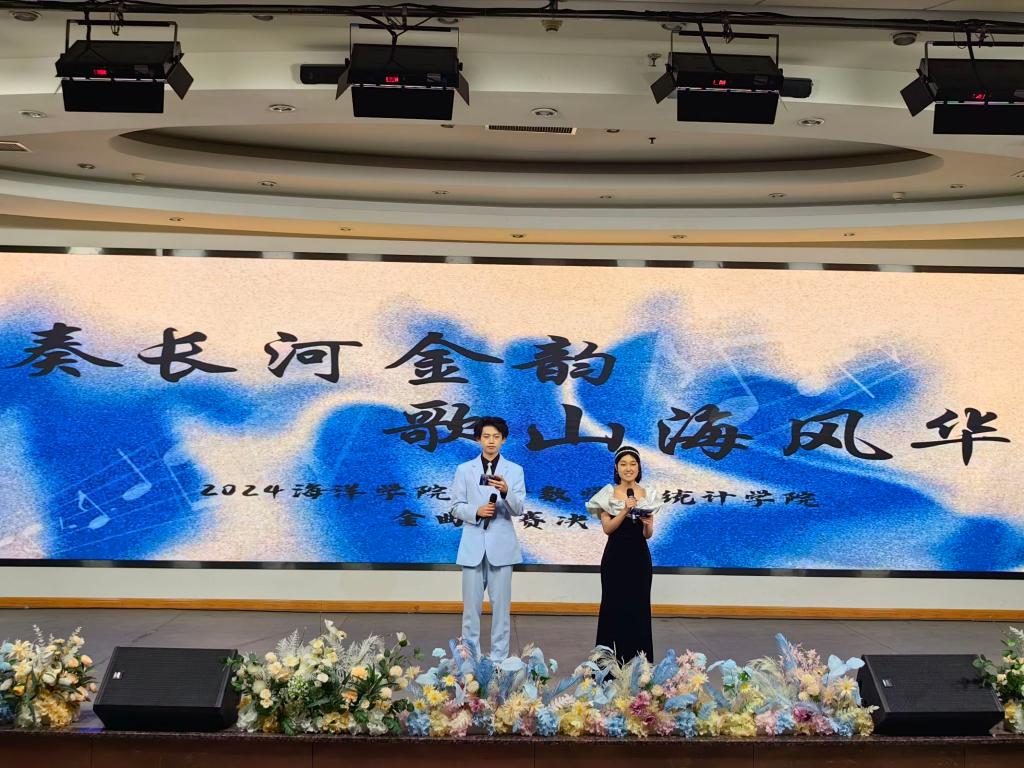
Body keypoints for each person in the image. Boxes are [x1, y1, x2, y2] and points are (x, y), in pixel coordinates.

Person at [449, 416, 526, 661]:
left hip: (502, 548)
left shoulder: (514, 470)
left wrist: (506, 491)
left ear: (504, 440)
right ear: (478, 439)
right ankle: (469, 662)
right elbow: (455, 507)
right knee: (470, 611)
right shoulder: (465, 469)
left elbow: (518, 509)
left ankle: (499, 663)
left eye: (496, 437)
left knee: (501, 611)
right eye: (486, 436)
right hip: (473, 546)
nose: (491, 441)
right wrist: (476, 511)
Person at [586, 445, 661, 664]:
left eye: (633, 464)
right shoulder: (607, 494)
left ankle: (638, 667)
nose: (628, 468)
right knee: (613, 607)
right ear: (616, 468)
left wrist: (648, 524)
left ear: (639, 468)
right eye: (623, 464)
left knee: (639, 608)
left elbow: (647, 535)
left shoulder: (648, 495)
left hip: (639, 558)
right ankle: (609, 667)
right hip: (615, 558)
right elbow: (608, 528)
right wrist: (625, 510)